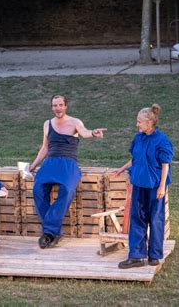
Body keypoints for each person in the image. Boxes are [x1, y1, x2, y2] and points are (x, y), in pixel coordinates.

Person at [29, 94, 107, 248]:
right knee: (37, 189)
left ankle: (49, 232)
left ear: (66, 106)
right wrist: (34, 164)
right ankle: (53, 232)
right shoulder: (47, 124)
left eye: (60, 105)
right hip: (50, 162)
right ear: (52, 107)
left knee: (67, 190)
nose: (57, 108)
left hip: (68, 163)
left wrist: (93, 133)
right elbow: (45, 147)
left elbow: (84, 133)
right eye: (54, 105)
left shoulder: (74, 122)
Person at [113, 103, 174, 269]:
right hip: (139, 183)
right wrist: (122, 168)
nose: (137, 124)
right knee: (137, 219)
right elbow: (136, 158)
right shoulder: (138, 138)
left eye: (139, 121)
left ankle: (154, 255)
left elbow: (165, 164)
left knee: (155, 219)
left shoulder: (162, 140)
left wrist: (162, 187)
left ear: (149, 123)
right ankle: (137, 256)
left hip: (154, 186)